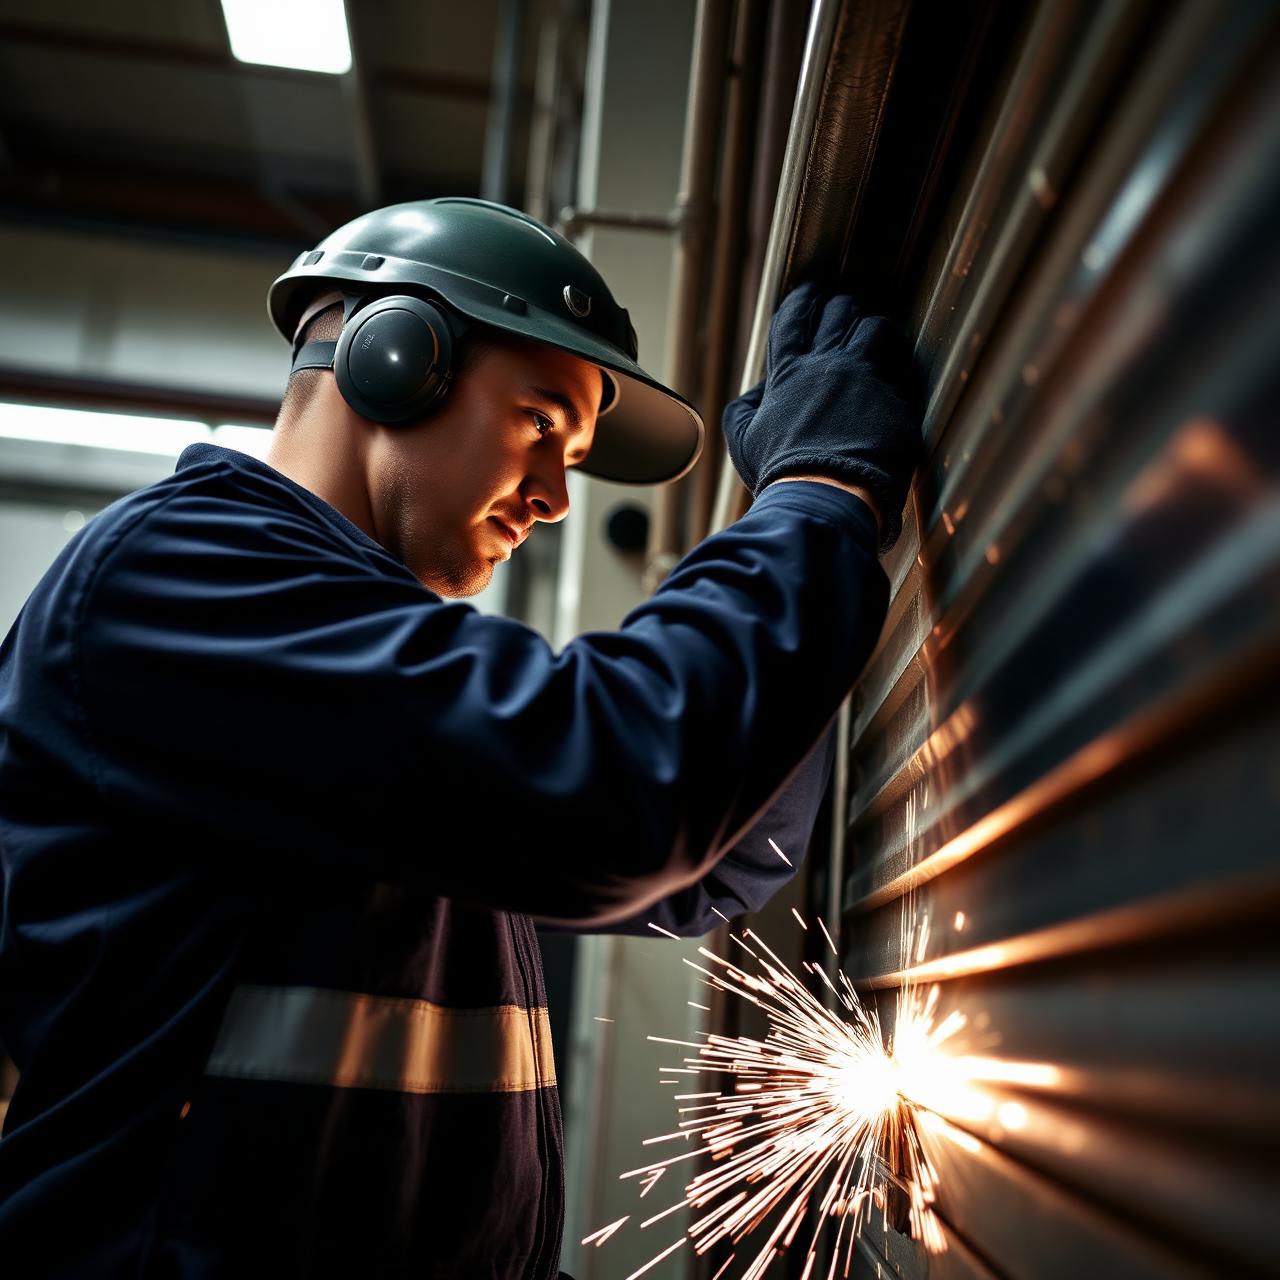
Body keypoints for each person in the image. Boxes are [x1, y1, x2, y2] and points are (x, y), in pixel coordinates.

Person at [0, 198, 920, 1278]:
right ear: (396, 357)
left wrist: (780, 644)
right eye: (540, 424)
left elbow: (705, 864)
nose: (552, 498)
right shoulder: (180, 579)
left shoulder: (351, 672)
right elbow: (617, 790)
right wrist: (814, 499)